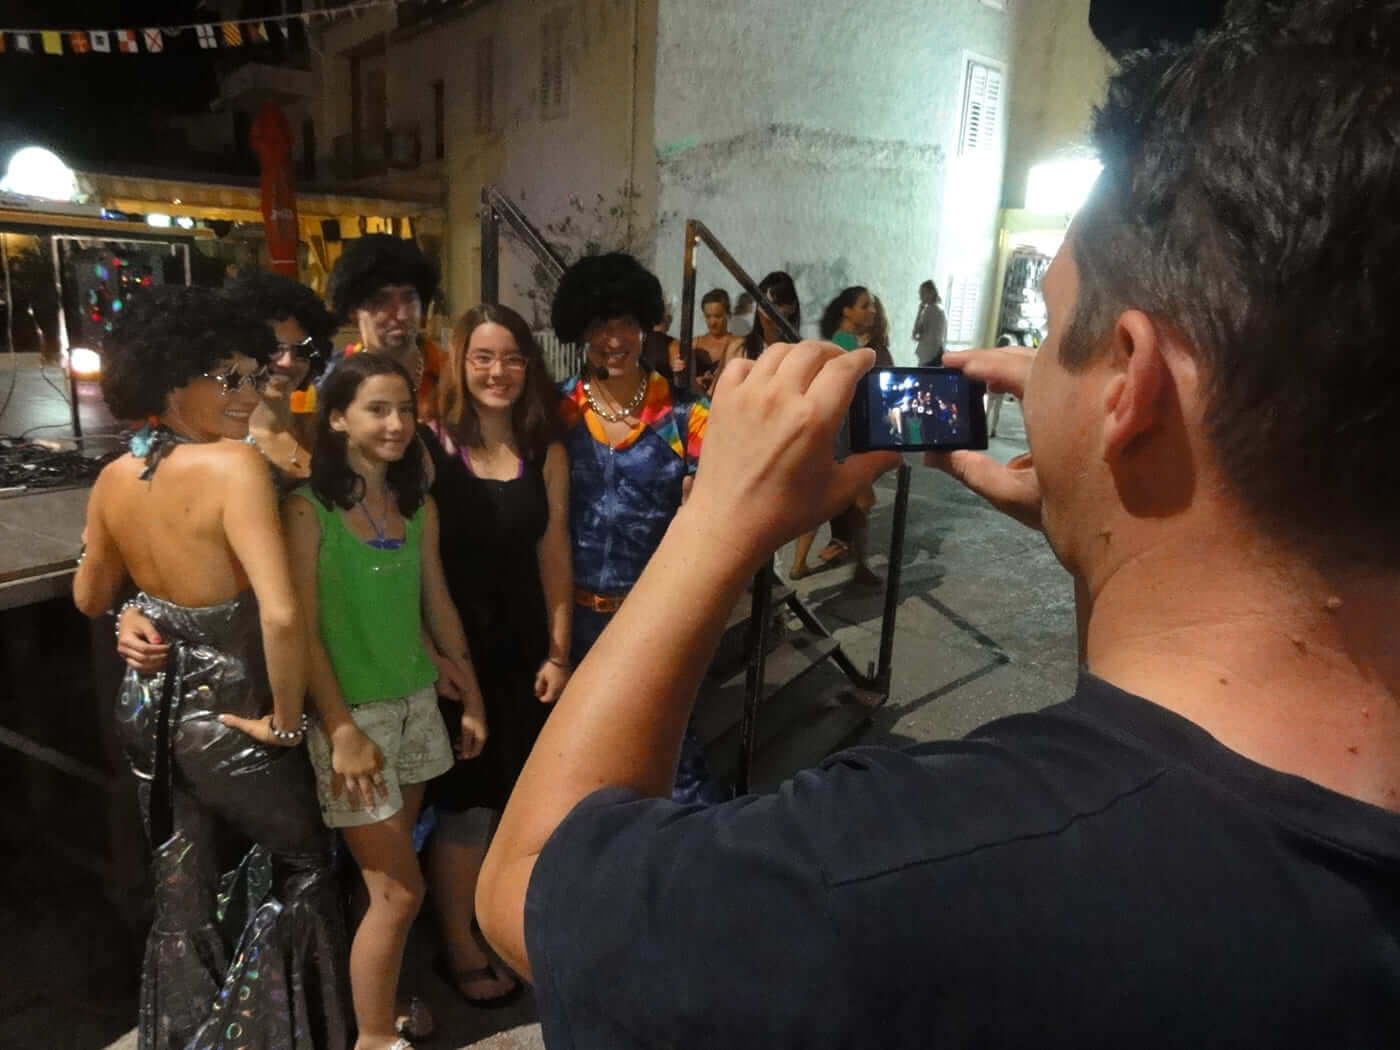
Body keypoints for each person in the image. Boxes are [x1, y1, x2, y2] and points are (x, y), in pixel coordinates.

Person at [475, 2, 1400, 1046]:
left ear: (1129, 384)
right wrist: (1116, 517)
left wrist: (718, 524)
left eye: (1054, 329)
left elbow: (527, 885)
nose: (1027, 370)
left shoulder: (882, 873)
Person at [73, 285, 350, 1050]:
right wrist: (287, 722)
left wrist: (136, 610)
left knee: (182, 886)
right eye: (226, 378)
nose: (247, 393)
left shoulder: (114, 476)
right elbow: (282, 613)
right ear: (170, 378)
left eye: (250, 375)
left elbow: (90, 595)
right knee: (307, 863)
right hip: (231, 714)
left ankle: (187, 1035)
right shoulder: (234, 466)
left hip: (147, 710)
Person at [283, 352, 485, 1050]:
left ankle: (381, 1001)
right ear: (338, 418)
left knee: (385, 886)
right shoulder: (307, 510)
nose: (397, 423)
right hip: (355, 719)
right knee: (400, 891)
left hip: (416, 705)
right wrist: (340, 728)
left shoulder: (415, 506)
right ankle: (372, 1037)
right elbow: (302, 630)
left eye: (404, 409)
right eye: (377, 409)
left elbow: (436, 603)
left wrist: (471, 693)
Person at [420, 303, 571, 1007]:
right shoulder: (430, 449)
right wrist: (439, 658)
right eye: (483, 356)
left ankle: (503, 926)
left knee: (521, 801)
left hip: (525, 651)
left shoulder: (545, 450)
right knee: (467, 808)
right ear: (460, 362)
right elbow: (417, 567)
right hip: (457, 657)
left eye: (512, 357)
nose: (498, 371)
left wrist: (559, 651)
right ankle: (457, 942)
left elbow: (554, 553)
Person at [552, 252, 726, 805]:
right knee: (573, 765)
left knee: (672, 762)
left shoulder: (686, 415)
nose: (614, 339)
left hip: (654, 621)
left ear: (646, 326)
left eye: (625, 322)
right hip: (570, 625)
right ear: (582, 329)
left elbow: (723, 508)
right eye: (601, 324)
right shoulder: (554, 411)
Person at [326, 233, 443, 420]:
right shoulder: (330, 380)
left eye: (409, 298)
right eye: (381, 301)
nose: (402, 315)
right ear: (353, 311)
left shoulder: (453, 375)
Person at [817, 285, 881, 585]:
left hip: (846, 437)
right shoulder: (845, 345)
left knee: (855, 503)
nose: (872, 311)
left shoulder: (850, 342)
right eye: (865, 305)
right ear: (847, 311)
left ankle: (853, 560)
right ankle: (857, 565)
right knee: (861, 501)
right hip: (845, 438)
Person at [687, 288, 745, 393]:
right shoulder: (695, 343)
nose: (712, 322)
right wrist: (695, 382)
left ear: (728, 314)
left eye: (717, 316)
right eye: (708, 316)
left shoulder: (738, 343)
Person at [819, 284, 873, 351]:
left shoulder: (847, 340)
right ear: (847, 311)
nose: (872, 310)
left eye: (871, 306)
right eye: (864, 306)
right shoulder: (844, 342)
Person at [912, 278, 946, 365]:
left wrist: (920, 311)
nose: (920, 297)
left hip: (928, 356)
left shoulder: (931, 310)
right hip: (937, 353)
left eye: (922, 293)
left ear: (931, 293)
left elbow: (915, 333)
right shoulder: (941, 309)